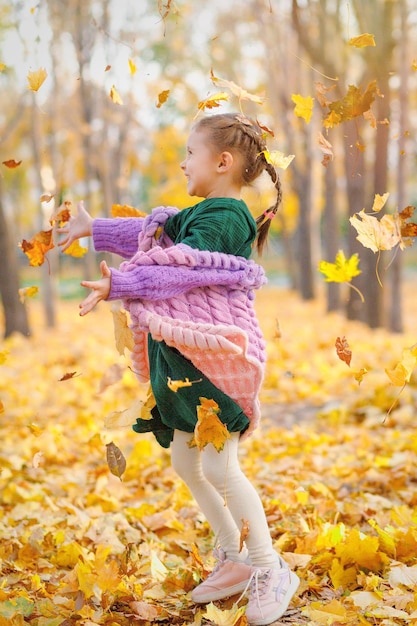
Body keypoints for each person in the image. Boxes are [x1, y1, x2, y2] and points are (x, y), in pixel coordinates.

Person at [58, 112, 300, 625]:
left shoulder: (228, 218)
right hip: (186, 361)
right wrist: (92, 229)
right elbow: (149, 231)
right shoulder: (199, 212)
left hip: (217, 362)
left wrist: (121, 286)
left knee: (218, 466)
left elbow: (174, 268)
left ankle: (268, 565)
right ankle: (233, 557)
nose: (182, 161)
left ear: (223, 161)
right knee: (187, 463)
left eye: (190, 153)